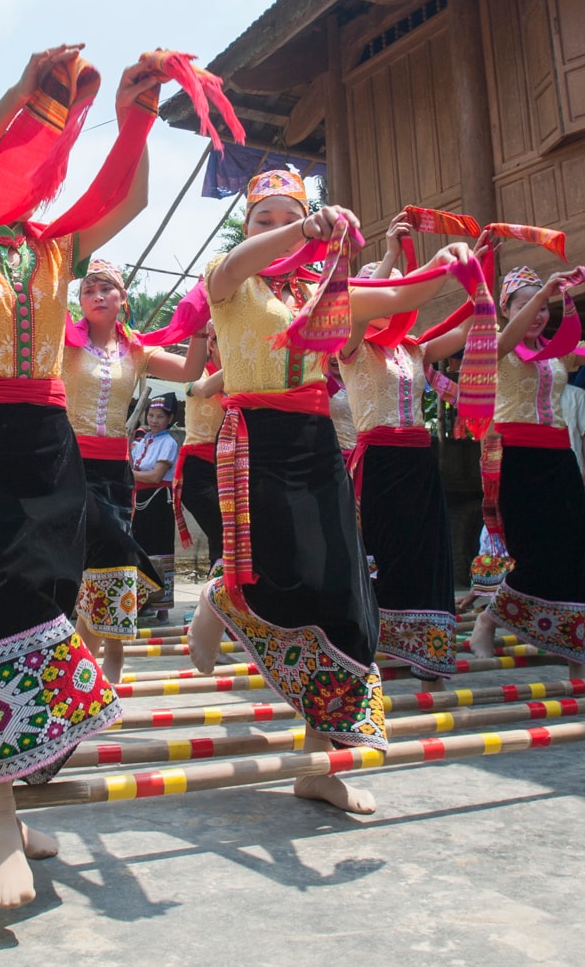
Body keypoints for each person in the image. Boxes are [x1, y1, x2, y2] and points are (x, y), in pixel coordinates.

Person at [0, 45, 157, 907]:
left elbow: (130, 195)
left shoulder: (55, 247)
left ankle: (10, 791)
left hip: (49, 444)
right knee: (9, 599)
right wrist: (16, 93)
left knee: (53, 602)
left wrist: (137, 114)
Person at [188, 167, 460, 815]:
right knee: (275, 571)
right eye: (265, 220)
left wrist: (448, 266)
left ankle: (320, 762)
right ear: (246, 228)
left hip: (316, 444)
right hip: (256, 435)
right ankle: (222, 595)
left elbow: (396, 297)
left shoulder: (323, 288)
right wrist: (302, 231)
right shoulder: (229, 281)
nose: (277, 231)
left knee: (342, 593)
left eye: (292, 217)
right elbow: (235, 263)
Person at [465, 266, 585, 680]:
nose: (538, 312)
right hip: (515, 459)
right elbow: (506, 342)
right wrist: (545, 291)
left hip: (557, 456)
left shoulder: (559, 351)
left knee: (575, 551)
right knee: (532, 555)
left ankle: (577, 648)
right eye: (525, 304)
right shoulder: (496, 342)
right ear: (506, 310)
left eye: (543, 305)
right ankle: (488, 621)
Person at [341, 215, 475, 683]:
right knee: (381, 552)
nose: (395, 297)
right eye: (386, 290)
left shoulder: (416, 350)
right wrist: (394, 256)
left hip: (419, 460)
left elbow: (467, 329)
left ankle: (427, 650)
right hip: (376, 460)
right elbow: (360, 305)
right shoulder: (351, 344)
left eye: (402, 291)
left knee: (425, 551)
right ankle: (372, 644)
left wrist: (477, 271)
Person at [65, 259, 206, 676]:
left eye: (106, 288)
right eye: (89, 290)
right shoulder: (62, 340)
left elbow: (189, 371)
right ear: (80, 301)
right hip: (70, 463)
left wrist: (201, 327)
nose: (97, 296)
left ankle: (100, 656)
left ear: (122, 298)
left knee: (108, 563)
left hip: (116, 469)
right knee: (117, 554)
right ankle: (99, 655)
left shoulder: (137, 349)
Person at [176, 330, 225, 572]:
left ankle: (222, 598)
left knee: (230, 534)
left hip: (229, 464)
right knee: (223, 528)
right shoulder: (197, 372)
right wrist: (242, 363)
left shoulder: (242, 378)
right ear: (211, 346)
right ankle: (219, 597)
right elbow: (204, 389)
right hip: (197, 468)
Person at [131, 394, 182, 624]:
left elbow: (155, 476)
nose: (154, 420)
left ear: (170, 418)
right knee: (138, 551)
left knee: (159, 550)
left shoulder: (168, 443)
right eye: (150, 415)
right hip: (138, 500)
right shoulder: (142, 441)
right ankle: (142, 603)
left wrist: (126, 474)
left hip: (158, 500)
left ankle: (162, 608)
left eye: (160, 416)